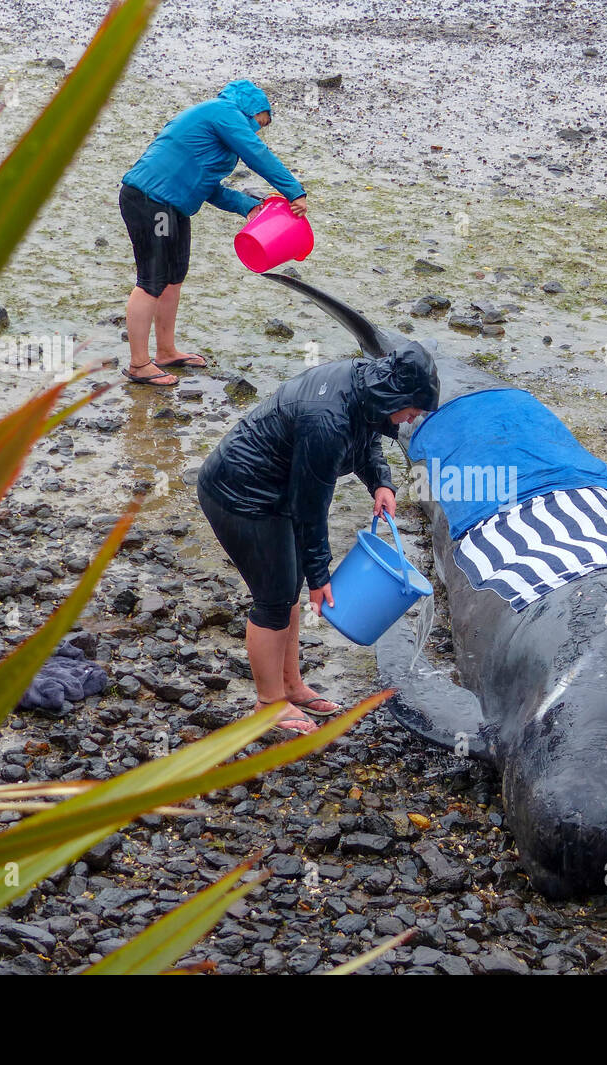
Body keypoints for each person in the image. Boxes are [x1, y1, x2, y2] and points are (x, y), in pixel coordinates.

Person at [197, 346, 440, 734]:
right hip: (239, 493)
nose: (412, 419)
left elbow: (369, 437)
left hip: (277, 493)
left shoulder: (366, 388)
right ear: (395, 396)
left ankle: (291, 685)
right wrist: (320, 576)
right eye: (412, 411)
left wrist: (380, 482)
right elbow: (310, 505)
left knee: (286, 589)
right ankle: (268, 703)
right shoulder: (325, 420)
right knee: (274, 597)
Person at [119, 79, 307, 387]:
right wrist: (293, 190)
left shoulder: (217, 129)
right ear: (248, 109)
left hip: (173, 205)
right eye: (256, 123)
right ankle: (139, 364)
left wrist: (246, 206)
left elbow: (206, 186)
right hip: (150, 201)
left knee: (173, 276)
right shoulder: (222, 111)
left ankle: (165, 351)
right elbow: (256, 153)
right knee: (152, 280)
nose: (255, 131)